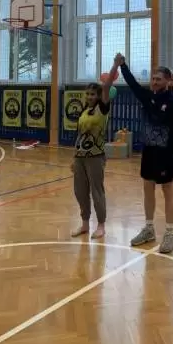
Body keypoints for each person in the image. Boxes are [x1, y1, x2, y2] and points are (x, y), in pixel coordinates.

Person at [115, 53, 173, 254]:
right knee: (147, 188)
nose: (154, 82)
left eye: (158, 79)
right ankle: (149, 228)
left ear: (168, 81)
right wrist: (123, 65)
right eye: (153, 79)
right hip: (148, 152)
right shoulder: (147, 97)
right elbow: (132, 84)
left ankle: (169, 233)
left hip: (166, 154)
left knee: (167, 190)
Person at [71, 60, 118, 239]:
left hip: (95, 156)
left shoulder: (102, 108)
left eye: (93, 94)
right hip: (80, 156)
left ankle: (101, 225)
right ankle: (84, 224)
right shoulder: (84, 110)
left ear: (99, 96)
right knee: (80, 191)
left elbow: (107, 86)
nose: (90, 97)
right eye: (88, 94)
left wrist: (115, 66)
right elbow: (79, 135)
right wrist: (74, 157)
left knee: (96, 191)